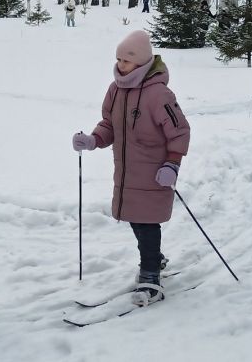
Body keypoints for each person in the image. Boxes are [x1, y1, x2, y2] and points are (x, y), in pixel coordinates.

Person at [72, 30, 190, 305]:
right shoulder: (116, 89)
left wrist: (172, 164)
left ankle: (150, 273)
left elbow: (180, 131)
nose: (119, 65)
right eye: (118, 59)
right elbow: (109, 124)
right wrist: (92, 140)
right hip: (126, 171)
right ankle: (154, 257)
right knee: (136, 219)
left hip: (154, 172)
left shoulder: (159, 94)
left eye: (126, 60)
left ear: (141, 62)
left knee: (147, 222)